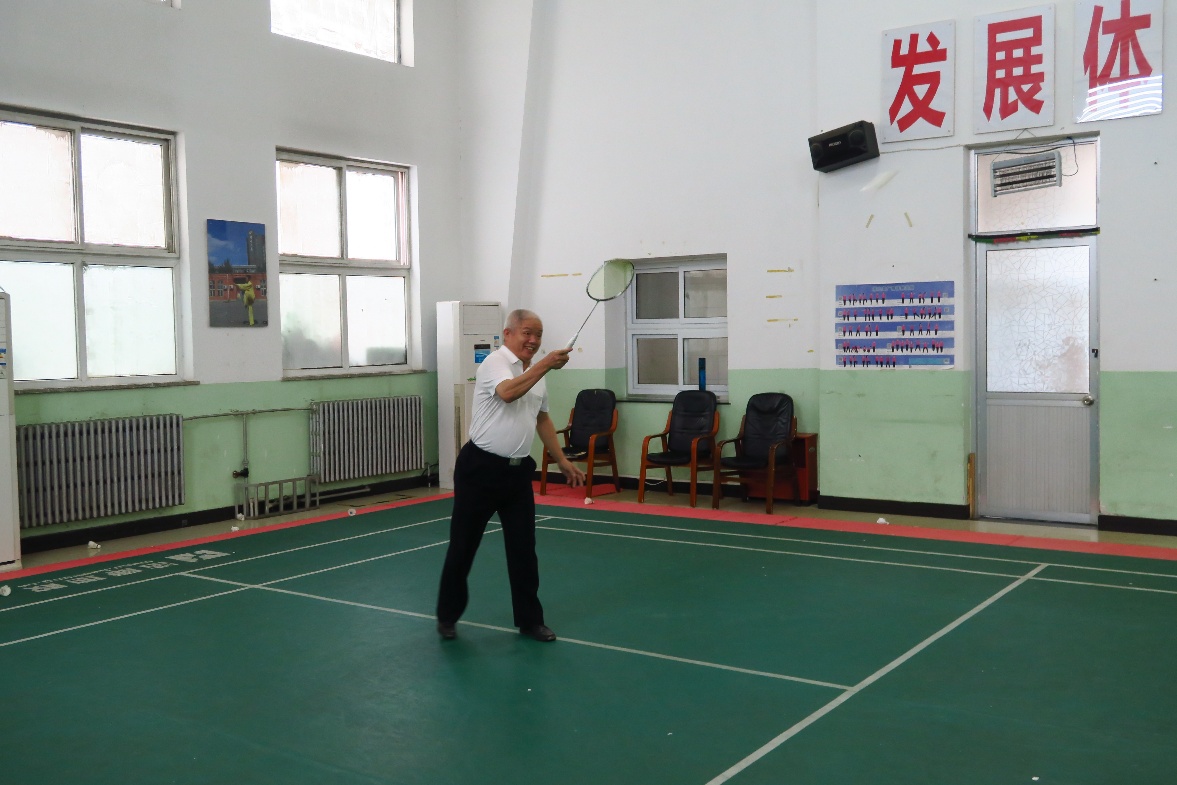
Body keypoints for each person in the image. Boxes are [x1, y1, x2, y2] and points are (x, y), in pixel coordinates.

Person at [436, 308, 586, 642]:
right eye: (527, 333)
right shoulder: (495, 363)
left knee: (523, 550)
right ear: (508, 334)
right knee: (463, 546)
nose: (533, 340)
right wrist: (545, 364)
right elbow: (507, 393)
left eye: (538, 335)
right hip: (479, 470)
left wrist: (561, 459)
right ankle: (447, 616)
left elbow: (542, 418)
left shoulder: (536, 374)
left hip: (517, 475)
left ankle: (530, 621)